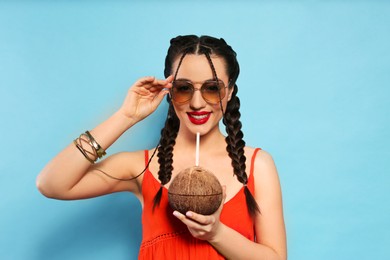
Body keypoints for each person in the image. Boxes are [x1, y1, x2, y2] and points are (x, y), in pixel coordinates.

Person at [36, 35, 287, 259]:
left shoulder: (257, 166)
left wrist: (216, 233)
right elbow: (51, 183)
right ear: (169, 91)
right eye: (184, 88)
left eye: (212, 88)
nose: (197, 103)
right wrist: (126, 117)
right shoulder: (141, 166)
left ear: (230, 91)